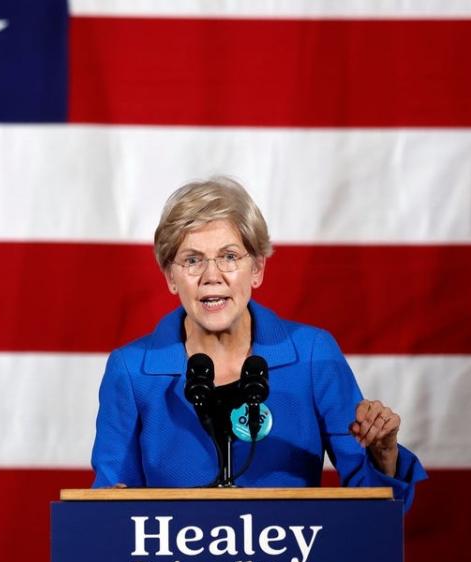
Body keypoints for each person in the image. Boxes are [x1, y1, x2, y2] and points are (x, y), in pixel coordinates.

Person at [90, 177, 426, 508]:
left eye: (230, 256)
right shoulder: (131, 370)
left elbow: (375, 510)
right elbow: (112, 506)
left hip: (293, 561)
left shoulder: (312, 355)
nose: (211, 275)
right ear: (170, 278)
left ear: (257, 269)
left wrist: (384, 456)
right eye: (192, 260)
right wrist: (111, 509)